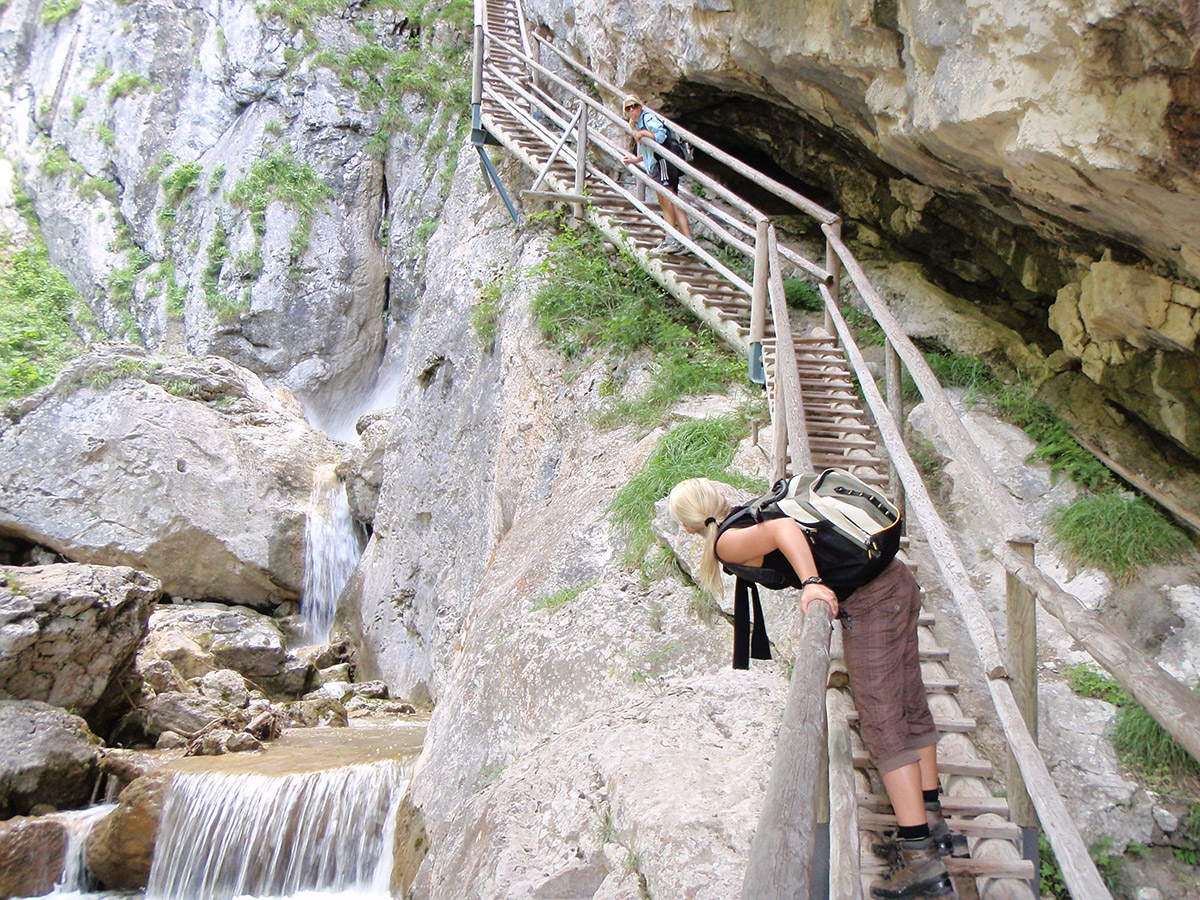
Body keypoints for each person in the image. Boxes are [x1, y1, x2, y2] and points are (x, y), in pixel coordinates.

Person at [667, 477, 957, 900]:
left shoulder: (727, 542)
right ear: (717, 498)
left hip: (873, 601)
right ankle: (933, 825)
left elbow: (784, 531)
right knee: (911, 702)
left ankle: (920, 861)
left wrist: (811, 583)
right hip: (896, 581)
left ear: (689, 527)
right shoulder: (747, 511)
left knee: (883, 726)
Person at [620, 94, 693, 256]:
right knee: (672, 200)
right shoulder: (640, 122)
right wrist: (635, 159)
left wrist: (644, 133)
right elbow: (650, 151)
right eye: (628, 108)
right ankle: (687, 241)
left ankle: (671, 241)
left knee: (667, 201)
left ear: (640, 106)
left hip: (664, 164)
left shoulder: (647, 119)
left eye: (634, 106)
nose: (632, 110)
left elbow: (660, 136)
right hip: (663, 163)